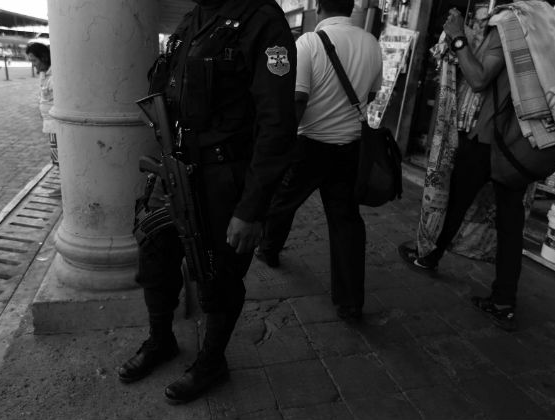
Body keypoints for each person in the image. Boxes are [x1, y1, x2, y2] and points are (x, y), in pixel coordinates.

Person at [118, 0, 297, 404]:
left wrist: (251, 209)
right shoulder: (193, 19)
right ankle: (161, 340)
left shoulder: (262, 21)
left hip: (224, 179)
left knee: (217, 274)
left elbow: (278, 124)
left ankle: (212, 361)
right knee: (154, 254)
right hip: (177, 170)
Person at [399, 0, 555, 331]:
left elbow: (480, 78)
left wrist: (457, 38)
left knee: (456, 201)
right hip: (528, 145)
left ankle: (428, 256)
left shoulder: (511, 25)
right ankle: (503, 300)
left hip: (489, 137)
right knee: (512, 225)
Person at [254, 0, 382, 321]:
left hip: (310, 144)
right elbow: (373, 96)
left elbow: (298, 98)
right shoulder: (371, 43)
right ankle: (350, 301)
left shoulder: (309, 42)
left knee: (283, 201)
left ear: (318, 6)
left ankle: (269, 249)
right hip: (350, 146)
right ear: (350, 6)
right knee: (346, 221)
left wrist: (280, 145)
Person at [26, 42, 61, 198]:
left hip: (56, 126)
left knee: (60, 158)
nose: (34, 65)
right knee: (56, 157)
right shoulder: (43, 74)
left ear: (44, 57)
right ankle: (64, 185)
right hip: (49, 125)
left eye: (34, 61)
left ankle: (65, 187)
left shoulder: (55, 77)